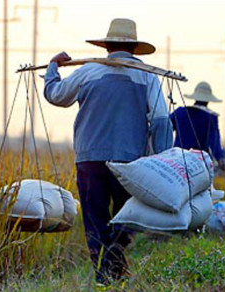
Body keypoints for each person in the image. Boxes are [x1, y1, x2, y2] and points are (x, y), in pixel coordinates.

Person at [43, 18, 172, 285]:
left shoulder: (88, 71)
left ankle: (105, 276)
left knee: (95, 218)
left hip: (90, 159)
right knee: (127, 217)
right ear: (134, 48)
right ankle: (115, 269)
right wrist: (162, 159)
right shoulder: (147, 75)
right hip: (130, 163)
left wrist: (53, 67)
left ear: (106, 47)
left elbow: (56, 95)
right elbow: (160, 119)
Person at [170, 81, 225, 169]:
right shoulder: (211, 117)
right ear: (208, 100)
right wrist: (220, 158)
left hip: (177, 158)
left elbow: (166, 128)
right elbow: (214, 143)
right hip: (198, 163)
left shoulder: (180, 112)